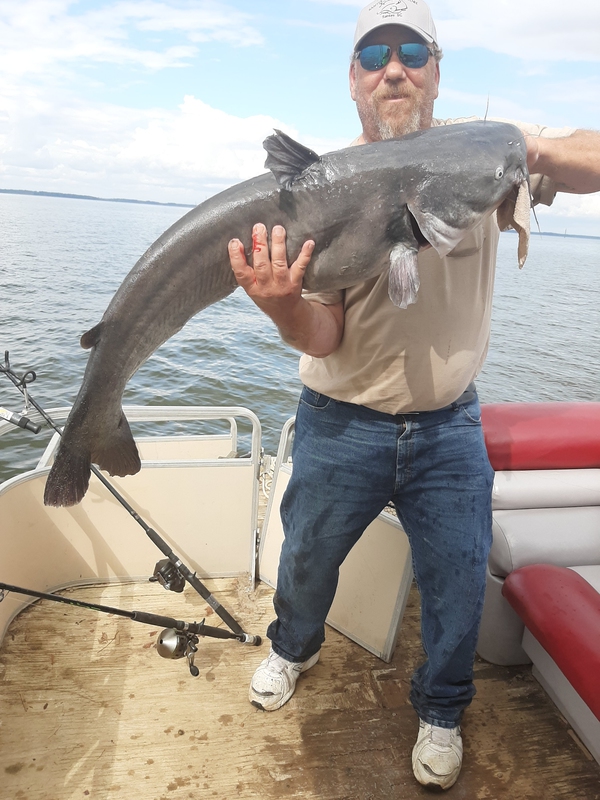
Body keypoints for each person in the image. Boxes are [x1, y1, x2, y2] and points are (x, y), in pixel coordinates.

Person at [227, 0, 600, 791]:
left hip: (448, 429)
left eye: (410, 51)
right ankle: (293, 648)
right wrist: (282, 303)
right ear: (353, 81)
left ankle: (441, 708)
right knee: (305, 563)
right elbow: (322, 337)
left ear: (435, 71)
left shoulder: (482, 154)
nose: (392, 67)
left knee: (460, 582)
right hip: (339, 422)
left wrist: (523, 145)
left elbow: (592, 159)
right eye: (373, 55)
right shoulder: (322, 187)